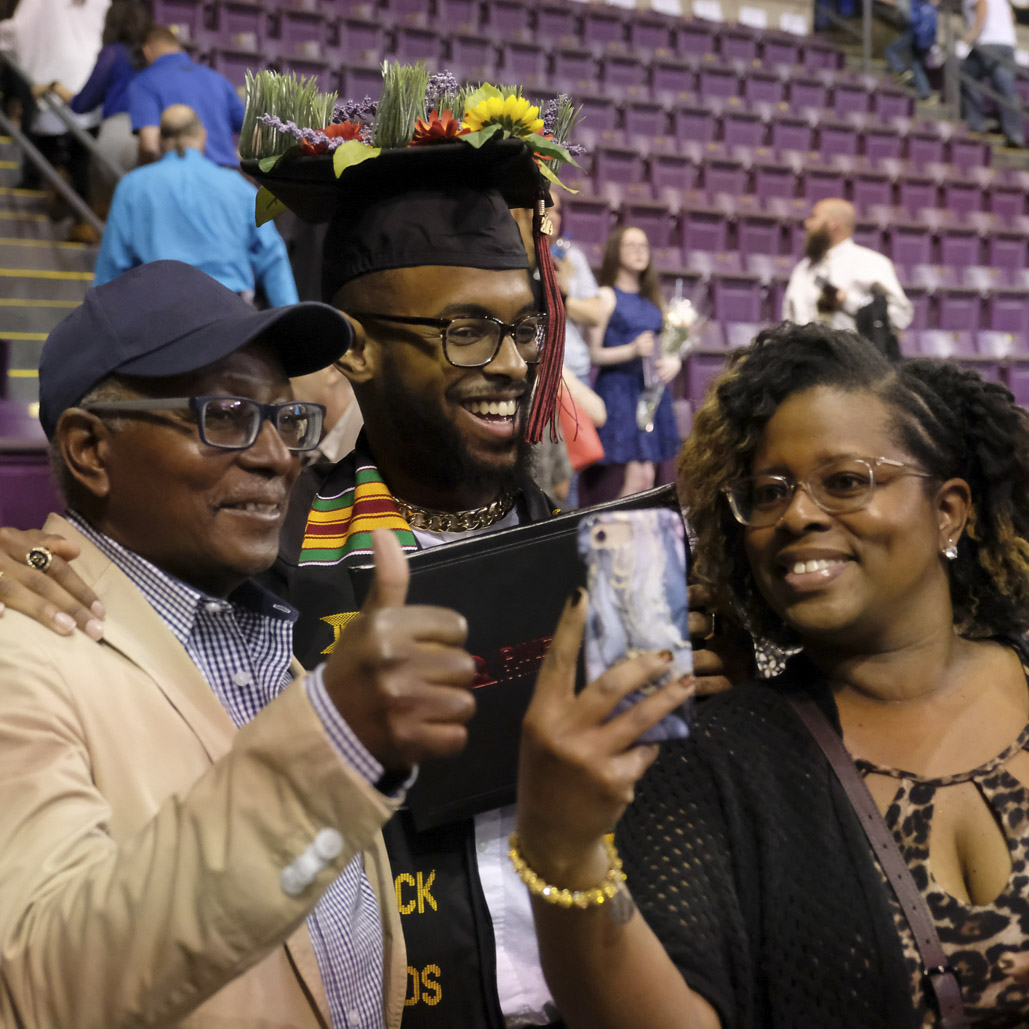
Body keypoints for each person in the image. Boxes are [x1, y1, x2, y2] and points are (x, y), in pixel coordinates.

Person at [0, 67, 733, 1028]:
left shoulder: (611, 554)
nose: (511, 365)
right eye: (467, 332)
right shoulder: (258, 568)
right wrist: (42, 558)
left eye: (523, 328)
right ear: (356, 348)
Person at [0, 260, 484, 1028]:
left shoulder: (272, 643)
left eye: (288, 421)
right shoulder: (22, 659)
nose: (275, 456)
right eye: (223, 415)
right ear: (91, 450)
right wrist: (327, 750)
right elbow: (52, 983)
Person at [515, 322, 1029, 1027]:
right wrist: (560, 845)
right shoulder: (712, 757)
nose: (795, 515)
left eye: (844, 481)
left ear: (947, 512)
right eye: (766, 493)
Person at [93, 104, 299, 306]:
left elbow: (112, 262)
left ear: (160, 140)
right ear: (202, 136)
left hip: (158, 315)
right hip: (229, 314)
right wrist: (290, 318)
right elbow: (272, 257)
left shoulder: (131, 186)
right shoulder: (238, 187)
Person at [587, 225, 681, 500]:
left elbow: (666, 346)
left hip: (650, 393)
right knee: (632, 480)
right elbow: (593, 353)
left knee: (647, 478)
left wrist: (673, 361)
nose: (640, 252)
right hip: (619, 391)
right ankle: (617, 539)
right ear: (616, 252)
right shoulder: (606, 296)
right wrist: (630, 351)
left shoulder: (653, 298)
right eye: (631, 246)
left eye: (644, 246)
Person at [35, 0, 153, 208]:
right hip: (152, 133)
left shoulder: (114, 53)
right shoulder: (151, 56)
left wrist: (54, 86)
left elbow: (82, 104)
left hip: (119, 134)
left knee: (110, 209)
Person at [783, 198, 913, 335]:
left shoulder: (872, 263)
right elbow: (788, 319)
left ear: (833, 223)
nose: (807, 224)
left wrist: (849, 303)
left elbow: (902, 316)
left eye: (814, 217)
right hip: (803, 353)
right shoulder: (802, 269)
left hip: (854, 353)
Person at [128, 25, 245, 166]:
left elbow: (150, 147)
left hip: (176, 175)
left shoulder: (144, 82)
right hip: (226, 176)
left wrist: (148, 176)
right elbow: (254, 130)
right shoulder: (217, 79)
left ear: (146, 51)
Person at [960, 0, 1025, 148]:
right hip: (1007, 44)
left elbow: (983, 5)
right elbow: (1012, 16)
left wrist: (973, 33)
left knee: (966, 75)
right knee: (1005, 91)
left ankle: (976, 122)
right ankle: (1015, 134)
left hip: (988, 43)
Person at [884, 0, 938, 101]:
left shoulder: (914, 4)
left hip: (915, 35)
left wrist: (903, 21)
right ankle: (925, 92)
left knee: (890, 51)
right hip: (927, 41)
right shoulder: (930, 7)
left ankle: (900, 71)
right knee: (916, 65)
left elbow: (912, 19)